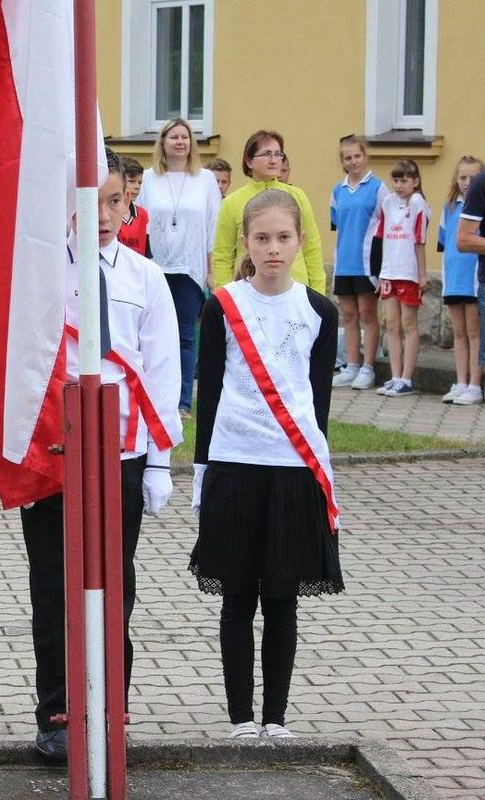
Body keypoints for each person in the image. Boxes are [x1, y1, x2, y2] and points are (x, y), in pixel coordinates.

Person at [23, 148, 181, 760]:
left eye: (115, 200)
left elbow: (164, 372)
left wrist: (161, 459)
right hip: (54, 452)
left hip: (123, 453)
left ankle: (110, 708)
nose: (104, 215)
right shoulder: (40, 275)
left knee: (115, 583)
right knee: (53, 585)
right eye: (90, 201)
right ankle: (59, 712)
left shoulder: (146, 279)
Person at [191, 189, 343, 740]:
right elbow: (208, 392)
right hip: (236, 462)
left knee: (281, 598)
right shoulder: (221, 305)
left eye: (283, 238)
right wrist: (202, 471)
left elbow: (317, 401)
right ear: (246, 245)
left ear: (300, 240)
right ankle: (238, 717)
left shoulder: (319, 311)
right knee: (237, 597)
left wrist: (321, 474)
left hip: (293, 468)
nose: (273, 249)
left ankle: (276, 717)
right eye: (262, 238)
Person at [135, 118, 222, 415]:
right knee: (154, 335)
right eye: (174, 137)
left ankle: (183, 402)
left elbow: (213, 225)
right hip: (155, 267)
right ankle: (153, 396)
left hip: (189, 268)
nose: (180, 142)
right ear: (163, 142)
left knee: (185, 336)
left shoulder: (206, 179)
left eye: (185, 137)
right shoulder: (148, 178)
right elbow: (140, 224)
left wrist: (211, 269)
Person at [212, 130, 326, 294]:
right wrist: (222, 297)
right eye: (266, 154)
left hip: (295, 289)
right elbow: (222, 255)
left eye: (278, 154)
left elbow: (312, 247)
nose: (274, 160)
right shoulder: (232, 202)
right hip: (249, 291)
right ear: (249, 161)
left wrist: (317, 294)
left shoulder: (297, 196)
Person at [329, 135, 388, 391]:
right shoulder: (337, 191)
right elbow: (337, 226)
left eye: (357, 156)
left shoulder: (378, 188)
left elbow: (385, 227)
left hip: (367, 262)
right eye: (347, 158)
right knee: (349, 315)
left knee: (367, 315)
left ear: (364, 157)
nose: (353, 162)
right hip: (344, 261)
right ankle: (351, 366)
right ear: (342, 161)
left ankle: (368, 367)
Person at [372, 159, 431, 398]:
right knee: (391, 324)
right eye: (395, 180)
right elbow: (381, 236)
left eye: (404, 180)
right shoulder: (387, 202)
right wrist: (378, 271)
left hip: (408, 273)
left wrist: (422, 274)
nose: (399, 185)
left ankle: (407, 378)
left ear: (415, 182)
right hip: (390, 271)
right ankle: (395, 377)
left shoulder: (418, 203)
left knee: (409, 324)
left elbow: (420, 241)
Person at [436, 157, 485, 405]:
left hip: (474, 279)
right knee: (459, 332)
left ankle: (475, 384)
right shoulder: (450, 208)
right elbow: (444, 245)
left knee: (475, 332)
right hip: (454, 279)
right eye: (463, 177)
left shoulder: (480, 205)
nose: (467, 183)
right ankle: (461, 381)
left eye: (473, 178)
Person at [117, 156, 152, 258]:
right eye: (131, 181)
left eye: (139, 182)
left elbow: (146, 253)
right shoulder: (107, 212)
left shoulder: (142, 214)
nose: (137, 186)